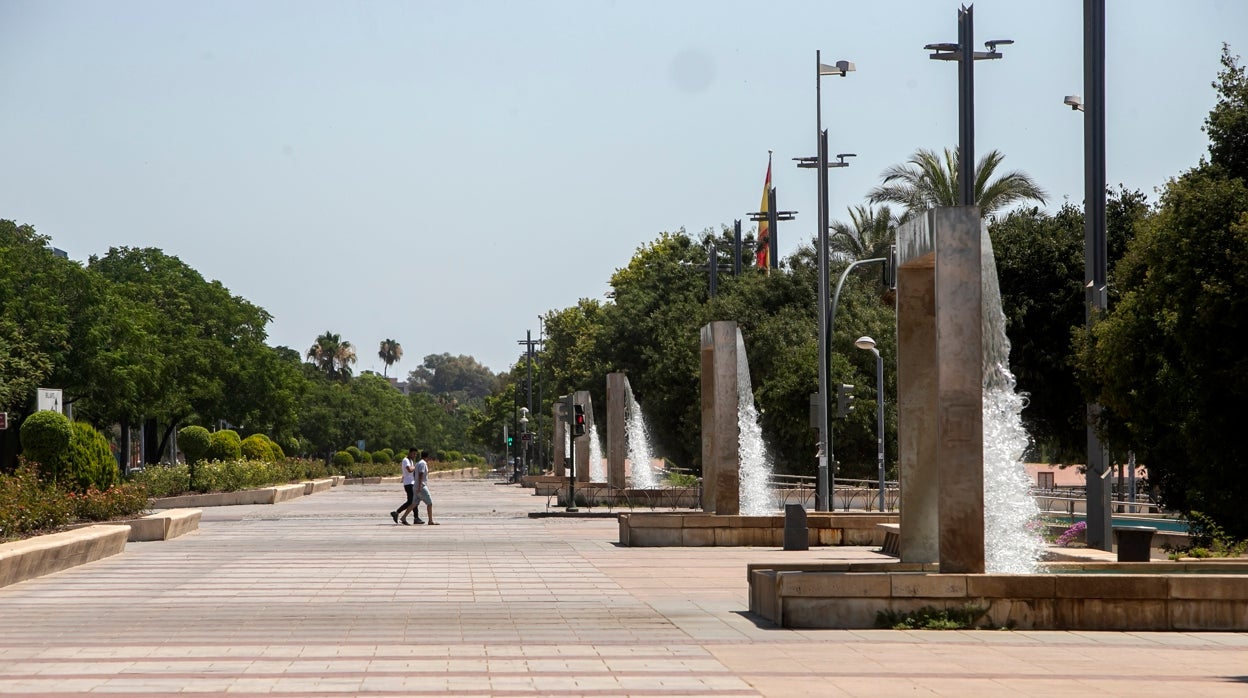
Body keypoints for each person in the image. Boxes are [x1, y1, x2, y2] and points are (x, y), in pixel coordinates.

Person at [390, 448, 424, 525]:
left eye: (416, 454)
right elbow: (409, 470)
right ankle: (397, 512)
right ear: (410, 453)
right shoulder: (405, 460)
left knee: (414, 501)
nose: (415, 455)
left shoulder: (411, 461)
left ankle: (416, 518)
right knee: (411, 501)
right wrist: (416, 467)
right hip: (408, 484)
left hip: (412, 483)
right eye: (414, 454)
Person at [412, 449, 438, 525]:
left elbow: (415, 474)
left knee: (414, 503)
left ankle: (403, 517)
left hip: (416, 485)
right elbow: (420, 474)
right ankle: (430, 521)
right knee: (429, 503)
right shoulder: (423, 463)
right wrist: (420, 486)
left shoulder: (418, 463)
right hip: (422, 486)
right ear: (427, 457)